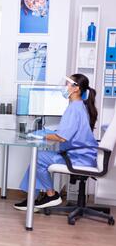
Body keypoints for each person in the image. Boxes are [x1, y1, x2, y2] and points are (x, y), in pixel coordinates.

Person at [14, 74, 99, 211]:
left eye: (67, 84)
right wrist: (48, 133)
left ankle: (51, 195)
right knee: (39, 156)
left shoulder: (74, 108)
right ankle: (33, 198)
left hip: (79, 159)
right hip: (82, 156)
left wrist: (43, 136)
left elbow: (62, 137)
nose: (64, 86)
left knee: (38, 157)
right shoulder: (79, 106)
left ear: (76, 89)